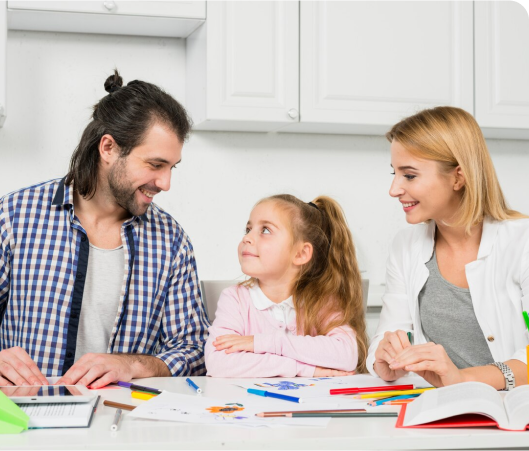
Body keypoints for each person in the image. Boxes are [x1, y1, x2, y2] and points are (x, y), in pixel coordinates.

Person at [0, 70, 210, 388]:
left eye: (171, 167)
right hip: (25, 422)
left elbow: (195, 351)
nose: (166, 183)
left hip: (125, 423)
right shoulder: (14, 217)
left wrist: (132, 365)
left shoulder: (172, 241)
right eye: (155, 165)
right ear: (108, 148)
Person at [367, 106, 529, 390]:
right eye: (395, 173)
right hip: (439, 411)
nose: (394, 189)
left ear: (458, 177)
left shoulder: (522, 241)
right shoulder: (405, 246)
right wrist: (384, 359)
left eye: (409, 175)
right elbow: (389, 334)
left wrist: (463, 379)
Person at [205, 194, 368, 377]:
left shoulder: (321, 301)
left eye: (265, 230)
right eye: (248, 229)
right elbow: (217, 362)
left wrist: (264, 343)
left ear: (300, 253)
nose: (247, 238)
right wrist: (304, 369)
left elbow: (346, 355)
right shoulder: (235, 299)